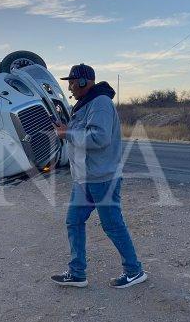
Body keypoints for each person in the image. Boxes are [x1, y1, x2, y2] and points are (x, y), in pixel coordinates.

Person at [51, 64, 147, 289]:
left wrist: (67, 133)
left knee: (112, 225)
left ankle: (135, 271)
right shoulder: (86, 104)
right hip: (85, 178)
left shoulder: (100, 103)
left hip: (102, 178)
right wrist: (66, 129)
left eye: (73, 82)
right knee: (73, 221)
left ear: (85, 82)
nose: (70, 87)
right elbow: (82, 133)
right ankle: (77, 273)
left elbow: (99, 138)